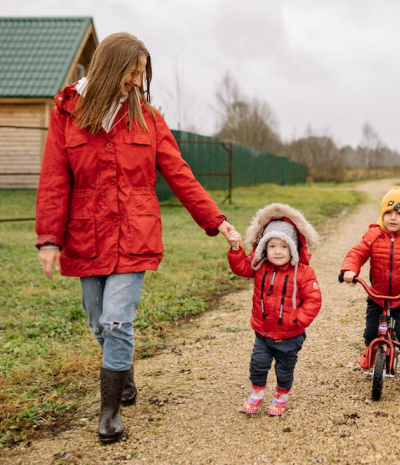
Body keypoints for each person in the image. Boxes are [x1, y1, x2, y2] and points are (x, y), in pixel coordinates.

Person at [35, 32, 238, 443]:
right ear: (111, 67)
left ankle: (108, 412)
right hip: (87, 235)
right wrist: (49, 239)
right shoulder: (67, 114)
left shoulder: (148, 119)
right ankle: (123, 371)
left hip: (135, 234)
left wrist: (217, 221)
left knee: (116, 318)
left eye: (141, 73)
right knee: (98, 321)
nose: (136, 80)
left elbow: (180, 175)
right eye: (131, 71)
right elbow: (55, 179)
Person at [227, 203, 322, 416]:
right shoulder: (260, 266)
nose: (277, 251)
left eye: (283, 246)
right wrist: (235, 249)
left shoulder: (304, 273)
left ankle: (281, 395)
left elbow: (313, 300)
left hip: (290, 334)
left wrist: (297, 319)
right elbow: (242, 267)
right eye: (272, 246)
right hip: (263, 331)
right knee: (258, 364)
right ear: (264, 248)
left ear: (293, 248)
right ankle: (257, 393)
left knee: (284, 368)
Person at [341, 186, 400, 391]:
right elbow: (357, 253)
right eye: (388, 213)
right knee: (370, 332)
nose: (393, 218)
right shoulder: (373, 236)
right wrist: (350, 269)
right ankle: (371, 351)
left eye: (399, 214)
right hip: (378, 295)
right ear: (382, 215)